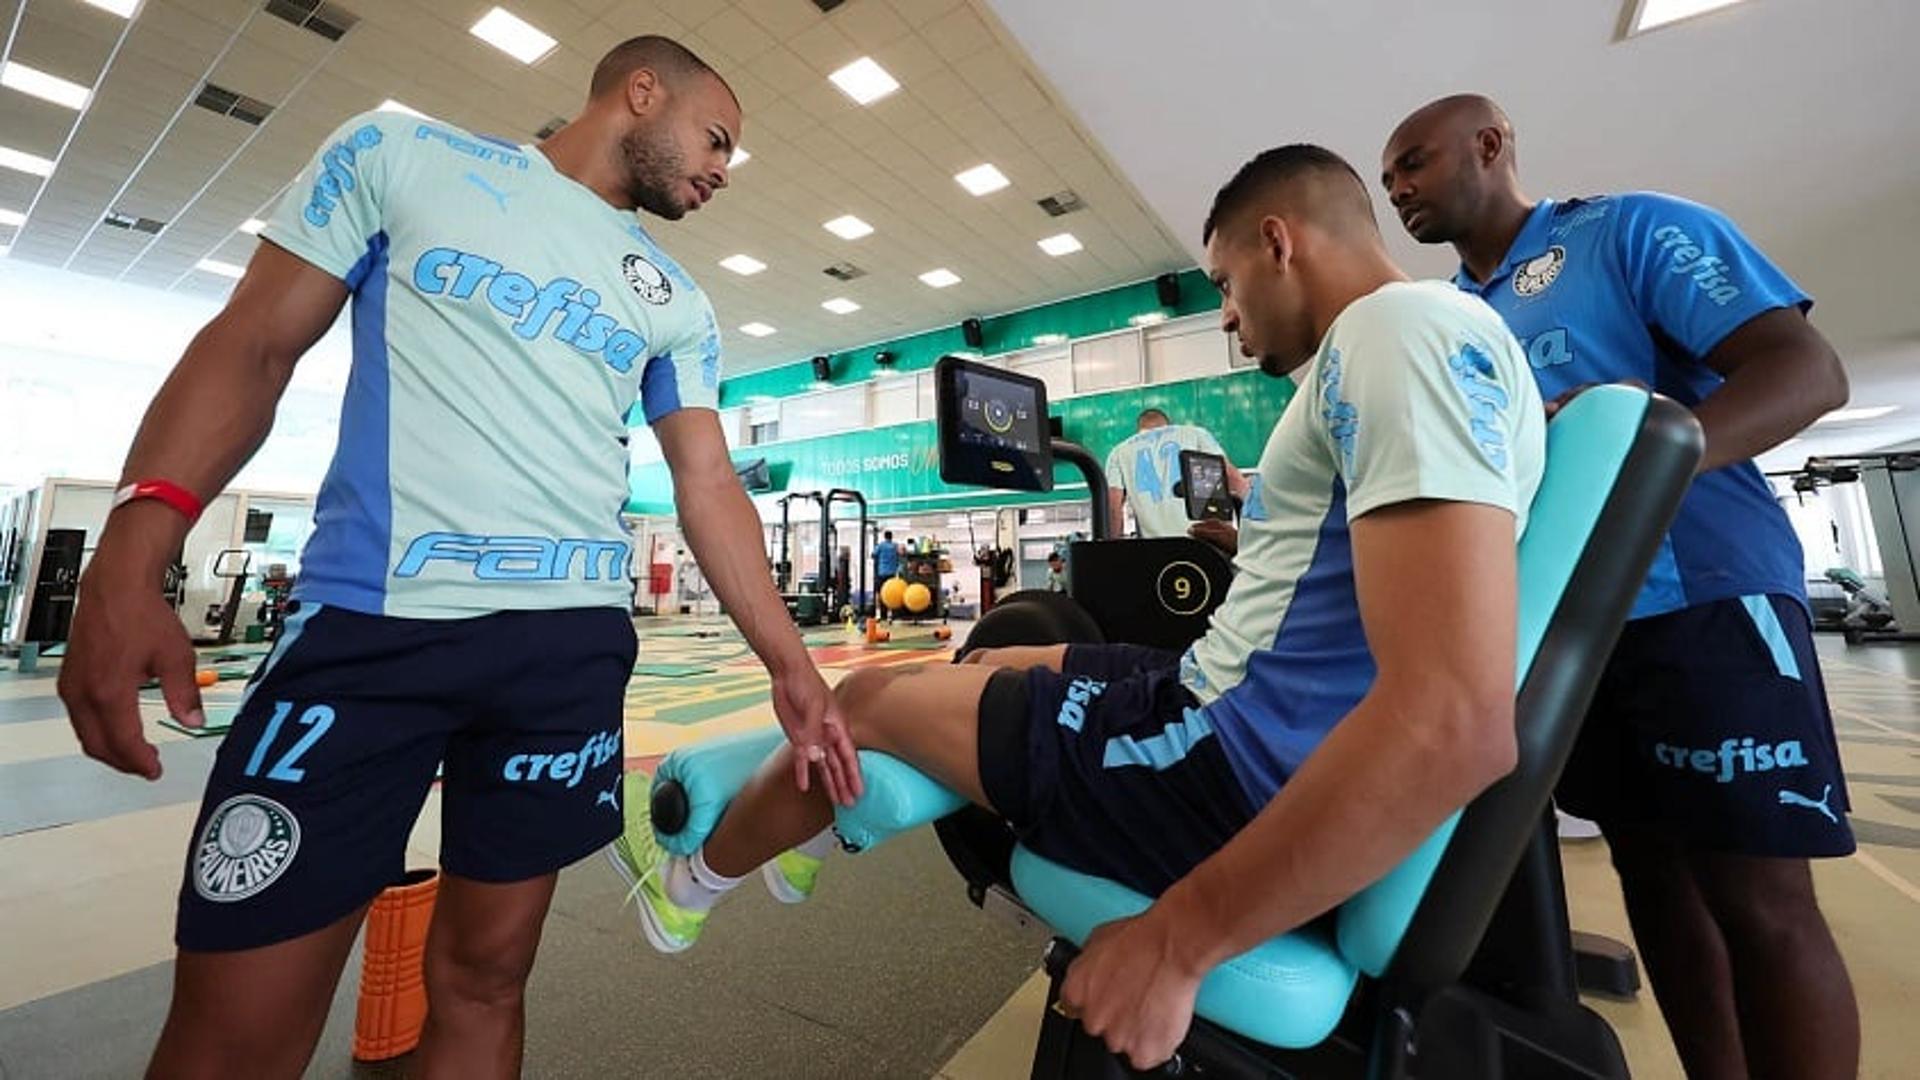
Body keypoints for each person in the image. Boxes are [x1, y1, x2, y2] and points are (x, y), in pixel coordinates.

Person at [610, 144, 1546, 1070]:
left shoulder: (1395, 338)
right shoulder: (1433, 337)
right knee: (982, 663)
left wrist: (1179, 941)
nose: (1226, 315)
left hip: (1222, 768)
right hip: (1213, 698)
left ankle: (689, 881)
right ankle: (823, 818)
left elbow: (1451, 723)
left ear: (1278, 244)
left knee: (863, 702)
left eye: (1223, 283)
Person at [56, 35, 860, 1079]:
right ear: (641, 90)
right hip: (372, 636)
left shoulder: (675, 298)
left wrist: (793, 666)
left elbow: (708, 486)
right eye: (715, 139)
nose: (720, 170)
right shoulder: (401, 155)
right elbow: (254, 341)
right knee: (235, 1029)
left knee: (487, 981)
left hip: (566, 655)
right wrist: (132, 551)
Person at [1382, 94, 1856, 1080]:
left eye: (1415, 163)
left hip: (1705, 601)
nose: (1400, 191)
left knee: (1759, 902)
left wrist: (1624, 462)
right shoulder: (1450, 319)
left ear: (1491, 143)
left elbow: (1806, 370)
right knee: (1654, 881)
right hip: (1572, 629)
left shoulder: (1629, 230)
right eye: (1388, 182)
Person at [1103, 411, 1249, 538]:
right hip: (1204, 541)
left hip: (1158, 549)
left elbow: (1113, 508)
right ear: (1168, 424)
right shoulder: (1196, 434)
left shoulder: (1119, 453)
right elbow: (1229, 476)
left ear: (1139, 429)